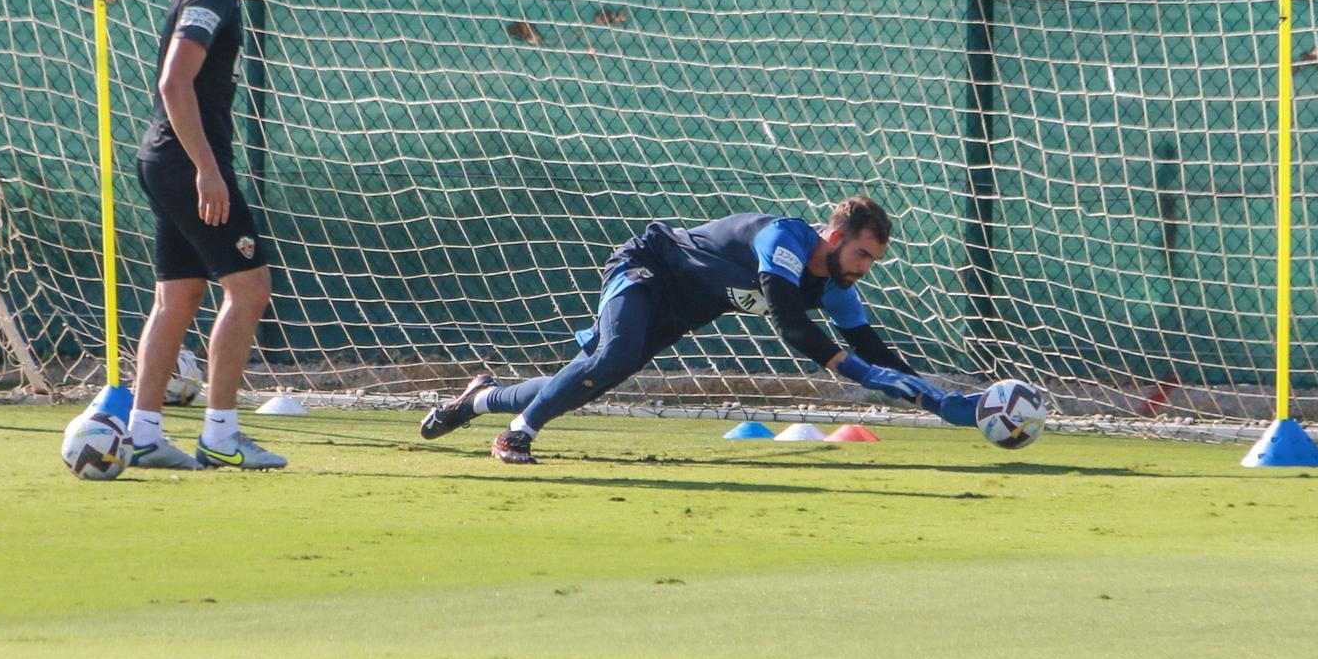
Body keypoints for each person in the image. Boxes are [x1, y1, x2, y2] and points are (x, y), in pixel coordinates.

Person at [419, 195, 980, 464]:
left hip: (682, 310)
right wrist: (852, 369)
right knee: (612, 358)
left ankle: (476, 400)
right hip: (649, 267)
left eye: (872, 261)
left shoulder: (836, 285)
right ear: (834, 238)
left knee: (594, 375)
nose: (864, 268)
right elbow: (789, 322)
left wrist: (939, 400)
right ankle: (518, 432)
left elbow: (872, 348)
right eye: (861, 254)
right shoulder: (785, 239)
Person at [125, 0, 298, 471]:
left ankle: (143, 432)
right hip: (184, 163)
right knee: (250, 289)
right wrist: (207, 170)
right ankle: (221, 433)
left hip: (166, 160)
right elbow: (174, 81)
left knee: (178, 296)